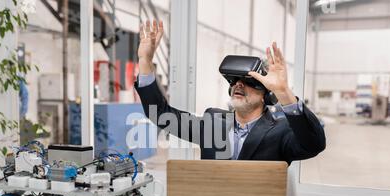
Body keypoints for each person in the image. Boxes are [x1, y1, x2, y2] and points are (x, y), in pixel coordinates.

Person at [134, 20, 326, 164]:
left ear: (265, 95)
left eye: (248, 82)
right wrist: (145, 61)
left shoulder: (281, 131)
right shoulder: (212, 124)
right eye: (234, 81)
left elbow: (314, 145)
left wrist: (284, 92)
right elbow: (160, 114)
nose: (238, 85)